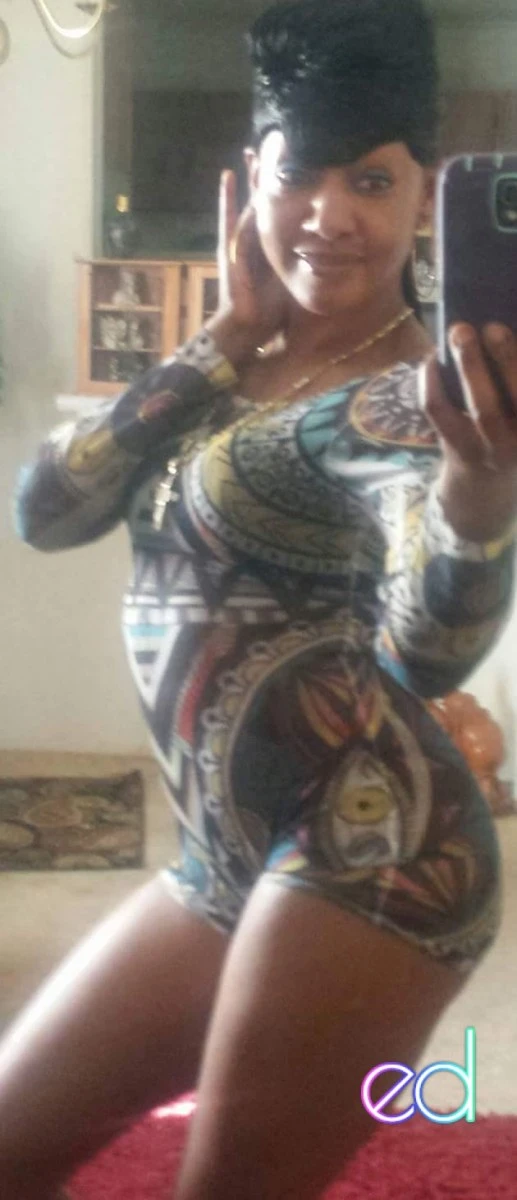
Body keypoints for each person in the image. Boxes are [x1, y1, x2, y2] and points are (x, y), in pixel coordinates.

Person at [4, 1, 517, 1196]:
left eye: (372, 181)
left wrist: (476, 496)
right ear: (251, 179)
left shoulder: (410, 398)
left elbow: (423, 654)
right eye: (301, 175)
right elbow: (45, 509)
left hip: (373, 852)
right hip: (219, 864)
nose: (329, 215)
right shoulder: (234, 362)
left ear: (424, 198)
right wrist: (222, 337)